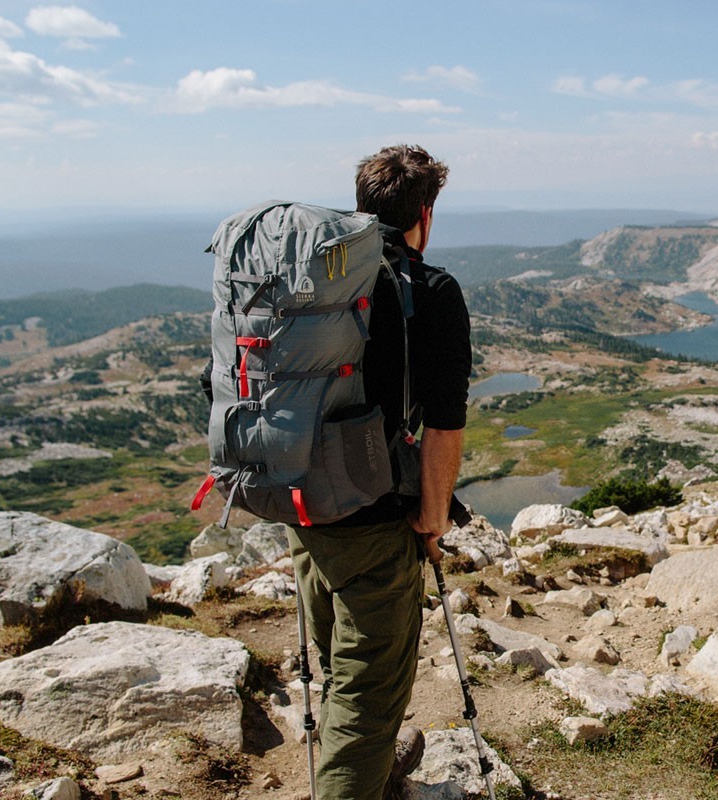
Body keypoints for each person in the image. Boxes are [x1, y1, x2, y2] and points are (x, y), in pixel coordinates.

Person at [287, 145, 471, 800]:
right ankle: (351, 779)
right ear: (424, 214)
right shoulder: (433, 290)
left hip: (300, 508)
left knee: (341, 668)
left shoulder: (311, 279)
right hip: (370, 520)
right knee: (370, 699)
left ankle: (358, 772)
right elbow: (444, 424)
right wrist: (432, 516)